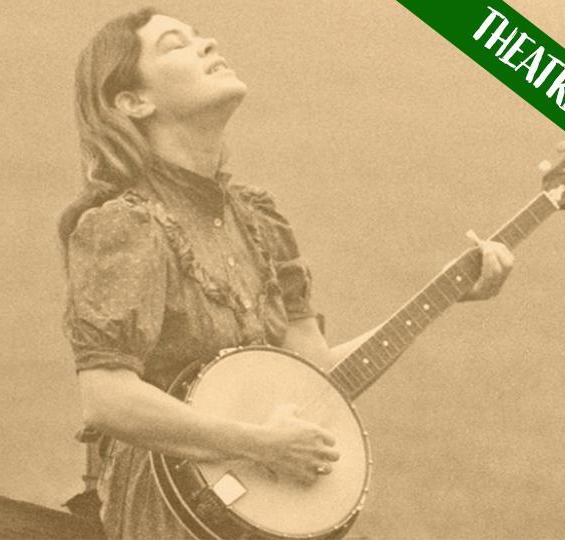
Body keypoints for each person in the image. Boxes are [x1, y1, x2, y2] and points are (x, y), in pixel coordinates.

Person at [59, 7, 514, 539]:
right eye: (175, 45)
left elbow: (316, 376)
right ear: (133, 101)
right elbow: (106, 397)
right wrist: (257, 443)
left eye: (201, 34)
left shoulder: (258, 220)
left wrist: (446, 293)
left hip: (260, 509)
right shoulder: (125, 225)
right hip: (166, 512)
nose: (207, 43)